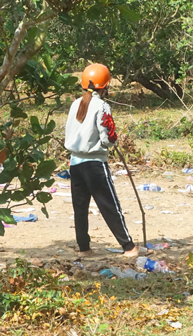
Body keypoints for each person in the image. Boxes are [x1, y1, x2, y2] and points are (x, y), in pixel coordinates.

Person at [64, 63, 138, 257]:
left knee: (80, 208)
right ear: (105, 86)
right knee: (109, 204)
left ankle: (84, 248)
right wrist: (111, 144)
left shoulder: (75, 104)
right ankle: (128, 247)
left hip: (75, 163)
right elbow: (107, 136)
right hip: (95, 163)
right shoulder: (102, 106)